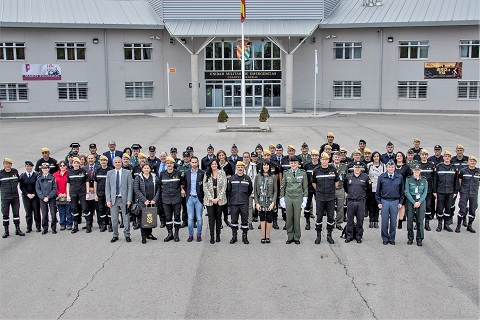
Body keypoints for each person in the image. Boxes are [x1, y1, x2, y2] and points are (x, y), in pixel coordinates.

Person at [312, 152, 339, 244]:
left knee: (330, 217)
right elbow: (314, 183)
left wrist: (330, 191)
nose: (324, 161)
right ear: (320, 160)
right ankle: (318, 235)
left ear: (328, 160)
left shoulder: (333, 169)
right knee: (319, 216)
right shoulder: (316, 170)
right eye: (323, 159)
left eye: (326, 159)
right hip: (320, 197)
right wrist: (320, 191)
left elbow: (336, 183)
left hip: (330, 197)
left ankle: (329, 235)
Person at [280, 156, 308, 244]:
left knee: (296, 219)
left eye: (295, 163)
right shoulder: (286, 173)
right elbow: (283, 186)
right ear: (289, 164)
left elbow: (305, 187)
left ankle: (297, 237)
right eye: (292, 163)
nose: (293, 164)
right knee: (289, 218)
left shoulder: (302, 173)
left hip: (298, 198)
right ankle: (290, 236)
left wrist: (305, 198)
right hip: (288, 198)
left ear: (298, 163)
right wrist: (282, 198)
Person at [376, 160, 405, 245]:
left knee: (393, 221)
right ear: (387, 167)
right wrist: (379, 202)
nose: (391, 168)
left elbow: (402, 191)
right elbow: (378, 191)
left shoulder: (399, 177)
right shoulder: (382, 177)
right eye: (389, 167)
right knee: (384, 221)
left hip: (395, 201)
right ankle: (385, 238)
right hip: (384, 201)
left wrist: (401, 202)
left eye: (392, 167)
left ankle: (392, 238)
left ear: (394, 167)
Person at [105, 157, 133, 243]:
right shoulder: (109, 173)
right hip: (114, 199)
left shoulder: (127, 173)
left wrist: (129, 199)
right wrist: (108, 200)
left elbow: (130, 187)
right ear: (113, 164)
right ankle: (115, 235)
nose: (117, 163)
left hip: (124, 199)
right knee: (114, 219)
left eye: (119, 162)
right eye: (116, 162)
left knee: (126, 218)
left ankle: (127, 235)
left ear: (121, 163)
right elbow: (108, 188)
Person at [344, 161, 372, 243]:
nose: (357, 169)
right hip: (351, 201)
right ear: (353, 168)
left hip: (360, 202)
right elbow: (345, 187)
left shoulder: (365, 177)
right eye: (356, 167)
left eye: (359, 167)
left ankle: (359, 236)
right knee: (350, 220)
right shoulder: (348, 177)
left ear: (361, 168)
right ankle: (349, 235)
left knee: (360, 220)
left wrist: (363, 196)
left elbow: (369, 190)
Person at [159, 156, 185, 242]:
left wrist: (181, 191)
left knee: (177, 216)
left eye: (171, 163)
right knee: (168, 217)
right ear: (166, 164)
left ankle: (176, 233)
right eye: (167, 163)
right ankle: (170, 233)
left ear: (173, 164)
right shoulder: (162, 173)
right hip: (166, 199)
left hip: (176, 198)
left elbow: (182, 183)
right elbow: (161, 185)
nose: (169, 165)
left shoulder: (178, 173)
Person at [133, 163, 160, 244]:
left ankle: (149, 234)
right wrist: (144, 200)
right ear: (142, 169)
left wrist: (154, 199)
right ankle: (143, 236)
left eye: (148, 168)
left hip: (152, 201)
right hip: (142, 202)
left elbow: (158, 189)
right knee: (143, 219)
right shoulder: (138, 178)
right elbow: (136, 190)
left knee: (150, 218)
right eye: (145, 168)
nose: (146, 169)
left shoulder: (154, 177)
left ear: (150, 169)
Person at [228, 161, 253, 244]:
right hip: (234, 203)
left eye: (241, 167)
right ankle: (234, 236)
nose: (240, 169)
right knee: (234, 221)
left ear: (243, 168)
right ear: (236, 168)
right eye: (238, 167)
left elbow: (250, 190)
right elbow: (229, 191)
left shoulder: (247, 178)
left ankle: (244, 237)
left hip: (244, 203)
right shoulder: (232, 178)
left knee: (244, 221)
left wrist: (244, 197)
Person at [203, 159, 227, 244]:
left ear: (217, 165)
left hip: (220, 200)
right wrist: (211, 198)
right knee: (211, 218)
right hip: (210, 200)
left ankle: (218, 235)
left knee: (218, 217)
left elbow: (224, 186)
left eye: (215, 164)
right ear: (210, 165)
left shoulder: (222, 173)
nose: (214, 165)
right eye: (212, 164)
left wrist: (218, 198)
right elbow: (204, 187)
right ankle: (212, 236)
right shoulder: (206, 174)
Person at [433, 151, 459, 232]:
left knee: (448, 208)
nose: (447, 158)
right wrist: (434, 191)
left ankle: (446, 224)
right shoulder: (438, 167)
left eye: (448, 156)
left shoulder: (454, 168)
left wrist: (455, 192)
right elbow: (435, 180)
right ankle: (440, 224)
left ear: (451, 158)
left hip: (450, 192)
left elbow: (456, 181)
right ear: (443, 157)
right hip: (440, 191)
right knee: (440, 208)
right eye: (446, 156)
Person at [405, 163, 428, 246]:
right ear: (413, 170)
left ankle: (420, 238)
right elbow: (407, 192)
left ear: (420, 170)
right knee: (410, 220)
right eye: (415, 170)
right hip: (411, 200)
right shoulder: (408, 179)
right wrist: (414, 202)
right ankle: (410, 238)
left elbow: (425, 192)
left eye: (418, 170)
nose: (417, 171)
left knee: (420, 220)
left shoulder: (424, 180)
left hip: (420, 201)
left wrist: (419, 202)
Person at [1, 158, 25, 238]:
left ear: (11, 165)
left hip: (15, 196)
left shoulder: (15, 171)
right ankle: (6, 231)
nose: (8, 165)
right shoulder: (1, 173)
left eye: (9, 164)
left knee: (16, 213)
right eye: (6, 164)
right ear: (3, 164)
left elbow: (18, 181)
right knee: (5, 214)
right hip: (5, 197)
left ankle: (17, 229)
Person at [254, 159, 277, 243]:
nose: (266, 166)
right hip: (261, 200)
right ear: (262, 166)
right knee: (262, 217)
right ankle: (262, 236)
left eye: (267, 165)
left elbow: (275, 190)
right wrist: (256, 203)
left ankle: (268, 236)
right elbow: (255, 191)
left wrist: (273, 202)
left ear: (269, 166)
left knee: (269, 218)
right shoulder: (258, 176)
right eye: (264, 165)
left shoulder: (273, 176)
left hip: (270, 200)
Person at [183, 156, 205, 242]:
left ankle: (199, 234)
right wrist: (183, 190)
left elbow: (204, 186)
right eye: (193, 162)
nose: (194, 164)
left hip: (199, 198)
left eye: (196, 162)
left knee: (199, 218)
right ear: (190, 163)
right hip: (190, 198)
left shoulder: (202, 173)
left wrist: (203, 197)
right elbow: (184, 183)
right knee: (190, 217)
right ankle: (190, 235)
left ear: (198, 163)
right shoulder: (186, 173)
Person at [456, 156, 479, 233]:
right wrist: (461, 190)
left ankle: (469, 226)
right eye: (471, 161)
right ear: (468, 162)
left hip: (474, 193)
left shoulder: (478, 171)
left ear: (476, 162)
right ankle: (458, 226)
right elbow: (460, 180)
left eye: (474, 161)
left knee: (473, 209)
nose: (472, 163)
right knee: (462, 209)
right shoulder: (463, 171)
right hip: (464, 192)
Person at [66, 157, 88, 234]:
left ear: (79, 164)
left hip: (82, 193)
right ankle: (75, 226)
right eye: (74, 163)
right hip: (73, 193)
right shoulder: (70, 172)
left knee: (85, 208)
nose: (76, 164)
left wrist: (87, 193)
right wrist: (68, 195)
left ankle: (88, 225)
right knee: (74, 209)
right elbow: (68, 184)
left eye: (77, 163)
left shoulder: (83, 171)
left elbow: (87, 182)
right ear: (72, 164)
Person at [36, 163, 58, 234]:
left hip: (51, 198)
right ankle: (45, 228)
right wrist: (43, 197)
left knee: (53, 214)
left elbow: (54, 188)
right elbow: (37, 189)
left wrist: (48, 197)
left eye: (46, 168)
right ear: (42, 170)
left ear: (48, 169)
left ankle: (53, 228)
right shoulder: (39, 178)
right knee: (44, 214)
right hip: (42, 198)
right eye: (43, 168)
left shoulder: (52, 177)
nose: (45, 170)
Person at [19, 161, 41, 233]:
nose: (29, 168)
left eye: (30, 166)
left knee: (36, 212)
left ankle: (38, 226)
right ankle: (29, 227)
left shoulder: (36, 175)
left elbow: (37, 186)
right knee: (28, 212)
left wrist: (34, 194)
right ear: (25, 167)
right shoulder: (22, 176)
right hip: (26, 196)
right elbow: (21, 187)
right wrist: (27, 194)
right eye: (27, 166)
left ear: (32, 167)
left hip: (35, 196)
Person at [367, 151, 386, 228]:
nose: (376, 158)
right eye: (374, 156)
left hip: (379, 188)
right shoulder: (369, 165)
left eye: (377, 156)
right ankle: (371, 220)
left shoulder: (383, 166)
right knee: (371, 204)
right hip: (371, 187)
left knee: (378, 205)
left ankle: (376, 220)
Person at [93, 155, 112, 232]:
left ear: (107, 161)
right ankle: (103, 224)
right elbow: (95, 182)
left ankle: (110, 224)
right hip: (100, 193)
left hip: (109, 193)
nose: (103, 162)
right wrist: (95, 194)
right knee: (101, 209)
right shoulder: (97, 171)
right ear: (100, 162)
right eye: (102, 161)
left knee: (109, 208)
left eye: (104, 160)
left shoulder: (110, 171)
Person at [303, 150, 321, 230]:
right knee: (307, 206)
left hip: (318, 188)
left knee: (319, 205)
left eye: (316, 155)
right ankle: (307, 222)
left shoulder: (320, 165)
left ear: (318, 156)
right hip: (309, 188)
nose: (314, 157)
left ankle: (318, 221)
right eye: (313, 155)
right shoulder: (307, 166)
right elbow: (304, 177)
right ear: (311, 156)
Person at [394, 151, 412, 229]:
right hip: (394, 188)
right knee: (394, 204)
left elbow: (409, 178)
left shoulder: (406, 167)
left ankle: (400, 220)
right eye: (398, 156)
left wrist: (407, 188)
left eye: (400, 156)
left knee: (402, 205)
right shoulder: (392, 166)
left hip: (403, 188)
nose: (399, 157)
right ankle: (393, 219)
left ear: (403, 157)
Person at [83, 154, 100, 233]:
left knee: (98, 208)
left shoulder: (98, 167)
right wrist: (89, 188)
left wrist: (94, 188)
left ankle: (101, 224)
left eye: (92, 158)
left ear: (95, 159)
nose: (90, 160)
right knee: (88, 208)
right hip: (88, 191)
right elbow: (82, 180)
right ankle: (89, 224)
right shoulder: (83, 168)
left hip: (96, 191)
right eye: (89, 158)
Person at [419, 149, 435, 231]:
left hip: (428, 190)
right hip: (419, 190)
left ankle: (427, 224)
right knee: (418, 206)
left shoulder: (431, 166)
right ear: (420, 155)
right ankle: (418, 224)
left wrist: (434, 190)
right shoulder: (417, 165)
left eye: (426, 155)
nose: (424, 156)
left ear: (427, 156)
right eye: (423, 155)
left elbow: (434, 178)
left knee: (428, 206)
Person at [54, 160, 72, 231]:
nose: (62, 167)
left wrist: (66, 194)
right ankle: (62, 224)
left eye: (64, 165)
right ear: (59, 166)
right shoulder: (55, 175)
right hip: (59, 195)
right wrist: (59, 193)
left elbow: (70, 184)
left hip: (67, 194)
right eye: (61, 166)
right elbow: (54, 186)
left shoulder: (69, 173)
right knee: (61, 211)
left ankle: (69, 224)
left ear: (66, 166)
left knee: (68, 210)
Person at [332, 151, 348, 230]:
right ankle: (331, 222)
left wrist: (346, 190)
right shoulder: (330, 166)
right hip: (331, 189)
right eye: (336, 157)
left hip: (341, 189)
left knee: (340, 207)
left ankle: (338, 223)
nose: (337, 158)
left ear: (340, 158)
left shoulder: (344, 166)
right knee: (330, 207)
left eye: (338, 157)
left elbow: (346, 179)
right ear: (333, 158)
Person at [242, 151, 257, 229]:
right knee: (243, 207)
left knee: (250, 206)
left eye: (247, 157)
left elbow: (254, 178)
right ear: (242, 158)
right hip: (242, 190)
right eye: (245, 157)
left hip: (250, 189)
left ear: (249, 158)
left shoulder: (253, 166)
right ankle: (244, 222)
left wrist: (253, 189)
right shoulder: (240, 165)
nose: (246, 158)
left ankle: (250, 222)